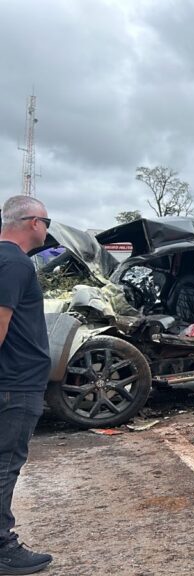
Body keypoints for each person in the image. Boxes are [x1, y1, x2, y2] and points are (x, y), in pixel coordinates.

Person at [0, 195, 54, 574]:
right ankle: (3, 548)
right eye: (47, 221)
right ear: (34, 222)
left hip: (11, 382)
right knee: (5, 465)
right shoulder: (15, 264)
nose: (48, 229)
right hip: (14, 385)